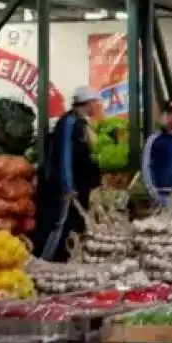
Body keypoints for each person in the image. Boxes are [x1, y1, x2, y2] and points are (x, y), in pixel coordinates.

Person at [36, 86, 102, 261]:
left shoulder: (83, 124)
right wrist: (68, 186)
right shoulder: (69, 122)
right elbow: (64, 156)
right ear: (86, 104)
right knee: (60, 225)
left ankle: (69, 259)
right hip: (67, 190)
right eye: (95, 103)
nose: (97, 107)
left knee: (76, 226)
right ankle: (45, 261)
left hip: (80, 188)